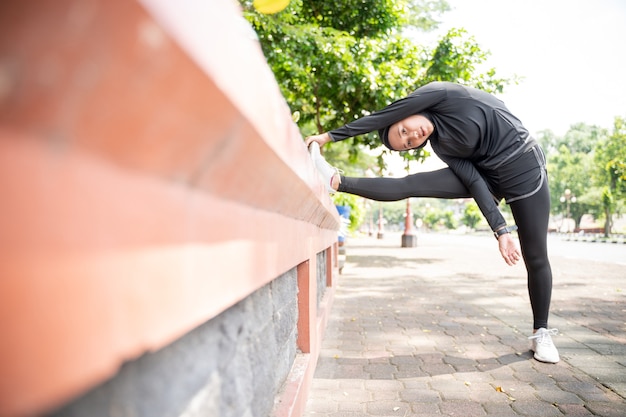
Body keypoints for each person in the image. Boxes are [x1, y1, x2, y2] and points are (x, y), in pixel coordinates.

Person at [305, 81, 560, 363]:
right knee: (410, 183)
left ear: (406, 112)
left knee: (535, 256)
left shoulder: (442, 94)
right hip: (488, 175)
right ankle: (335, 181)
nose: (413, 136)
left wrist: (328, 137)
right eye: (409, 143)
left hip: (523, 166)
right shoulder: (443, 147)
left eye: (405, 131)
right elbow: (475, 182)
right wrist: (500, 230)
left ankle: (541, 333)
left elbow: (379, 116)